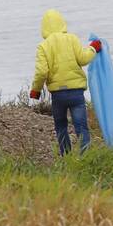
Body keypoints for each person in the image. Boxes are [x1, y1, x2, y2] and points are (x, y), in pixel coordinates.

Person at [29, 9, 101, 155]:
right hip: (76, 93)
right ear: (62, 23)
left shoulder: (43, 46)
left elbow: (41, 71)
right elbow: (83, 59)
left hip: (58, 95)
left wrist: (36, 90)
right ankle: (85, 157)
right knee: (81, 127)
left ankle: (66, 157)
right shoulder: (72, 39)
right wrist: (93, 48)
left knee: (61, 126)